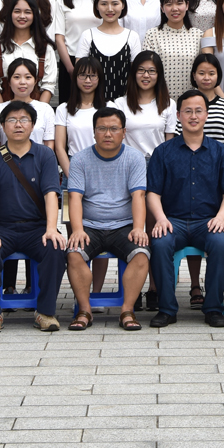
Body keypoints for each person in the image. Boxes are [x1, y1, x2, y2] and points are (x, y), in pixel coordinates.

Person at [146, 90, 224, 327]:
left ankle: (214, 308)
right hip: (172, 220)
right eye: (188, 111)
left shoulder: (221, 152)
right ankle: (167, 309)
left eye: (198, 111)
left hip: (208, 221)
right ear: (178, 115)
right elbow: (153, 193)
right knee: (160, 243)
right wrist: (161, 218)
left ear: (206, 114)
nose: (193, 116)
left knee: (221, 243)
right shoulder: (163, 152)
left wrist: (221, 218)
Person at [0, 99, 68, 332]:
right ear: (3, 126)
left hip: (36, 227)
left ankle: (45, 312)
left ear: (33, 125)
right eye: (12, 120)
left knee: (55, 248)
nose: (18, 124)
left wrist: (51, 229)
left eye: (24, 120)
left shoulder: (45, 154)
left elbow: (51, 194)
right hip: (2, 228)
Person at [64, 108, 153, 331]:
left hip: (123, 226)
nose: (107, 134)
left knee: (141, 253)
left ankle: (127, 310)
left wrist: (139, 228)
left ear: (123, 132)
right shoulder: (80, 159)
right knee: (73, 254)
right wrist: (77, 229)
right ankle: (85, 310)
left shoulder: (134, 157)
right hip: (90, 226)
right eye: (102, 128)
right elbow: (74, 197)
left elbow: (138, 195)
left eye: (114, 129)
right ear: (94, 132)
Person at [71, 0, 140, 103]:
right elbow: (80, 74)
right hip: (93, 104)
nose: (109, 9)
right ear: (97, 6)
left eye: (115, 3)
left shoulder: (132, 36)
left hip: (124, 103)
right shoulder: (88, 35)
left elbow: (136, 73)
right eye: (104, 4)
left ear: (123, 5)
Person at [0, 0, 58, 103]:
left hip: (37, 110)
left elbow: (48, 85)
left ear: (34, 15)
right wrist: (4, 111)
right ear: (10, 14)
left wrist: (40, 111)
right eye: (17, 11)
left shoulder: (45, 48)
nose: (22, 16)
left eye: (27, 12)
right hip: (4, 109)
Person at [110, 51, 177, 158]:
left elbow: (169, 142)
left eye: (152, 71)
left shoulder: (169, 104)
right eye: (141, 70)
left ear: (159, 74)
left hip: (157, 161)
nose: (146, 75)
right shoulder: (120, 104)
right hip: (129, 161)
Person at [146, 0, 205, 100]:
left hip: (191, 102)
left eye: (179, 3)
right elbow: (148, 70)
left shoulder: (198, 35)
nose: (174, 8)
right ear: (162, 7)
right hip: (160, 101)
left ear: (187, 5)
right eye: (169, 4)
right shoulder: (152, 35)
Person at [55, 57, 104, 177]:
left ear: (99, 78)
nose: (87, 80)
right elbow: (59, 147)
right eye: (82, 75)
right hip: (74, 165)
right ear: (75, 77)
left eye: (92, 76)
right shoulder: (63, 109)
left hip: (103, 166)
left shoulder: (110, 107)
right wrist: (72, 175)